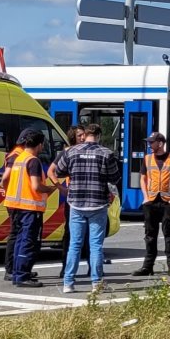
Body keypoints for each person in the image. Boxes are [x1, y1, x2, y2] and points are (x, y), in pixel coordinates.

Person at [48, 122, 120, 295]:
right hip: (98, 203)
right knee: (95, 245)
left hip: (76, 203)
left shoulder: (71, 152)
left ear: (85, 135)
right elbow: (115, 178)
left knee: (75, 244)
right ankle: (96, 283)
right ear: (99, 136)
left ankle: (68, 283)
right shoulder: (106, 153)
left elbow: (58, 172)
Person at [1, 130, 50, 288]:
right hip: (30, 208)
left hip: (16, 207)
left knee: (19, 240)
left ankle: (17, 273)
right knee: (28, 242)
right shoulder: (33, 161)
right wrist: (51, 189)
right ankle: (22, 275)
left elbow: (6, 179)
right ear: (39, 145)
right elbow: (36, 186)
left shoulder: (19, 158)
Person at [134, 132, 170, 277]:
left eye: (152, 142)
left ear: (160, 143)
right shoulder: (147, 159)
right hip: (151, 201)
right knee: (150, 234)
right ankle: (147, 266)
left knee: (168, 234)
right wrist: (145, 197)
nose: (149, 145)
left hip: (167, 202)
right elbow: (143, 178)